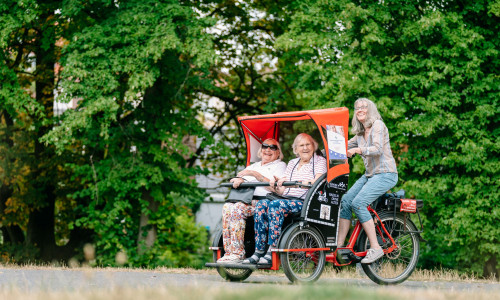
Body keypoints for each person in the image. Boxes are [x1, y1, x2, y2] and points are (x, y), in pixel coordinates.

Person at [243, 133, 327, 265]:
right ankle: (259, 250)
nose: (305, 148)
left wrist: (296, 183)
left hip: (305, 201)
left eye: (308, 144)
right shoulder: (293, 163)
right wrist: (275, 185)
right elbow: (283, 189)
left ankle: (273, 249)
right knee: (262, 205)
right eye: (301, 145)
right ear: (296, 149)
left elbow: (317, 181)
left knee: (275, 205)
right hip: (286, 198)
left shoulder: (319, 161)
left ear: (313, 146)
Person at [337, 98, 398, 264]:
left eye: (364, 107)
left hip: (386, 174)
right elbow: (341, 146)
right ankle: (340, 247)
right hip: (371, 175)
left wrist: (358, 150)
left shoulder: (378, 125)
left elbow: (377, 149)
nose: (360, 110)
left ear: (371, 110)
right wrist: (320, 151)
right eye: (357, 108)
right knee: (347, 201)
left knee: (358, 203)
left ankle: (376, 247)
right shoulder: (359, 134)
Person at [217, 138, 286, 263]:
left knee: (237, 209)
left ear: (278, 152)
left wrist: (255, 175)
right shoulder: (254, 165)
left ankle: (238, 253)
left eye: (273, 147)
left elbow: (276, 188)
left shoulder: (280, 165)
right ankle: (229, 252)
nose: (268, 150)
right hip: (247, 200)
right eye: (265, 146)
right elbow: (239, 176)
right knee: (227, 207)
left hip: (265, 202)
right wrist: (238, 180)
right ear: (261, 150)